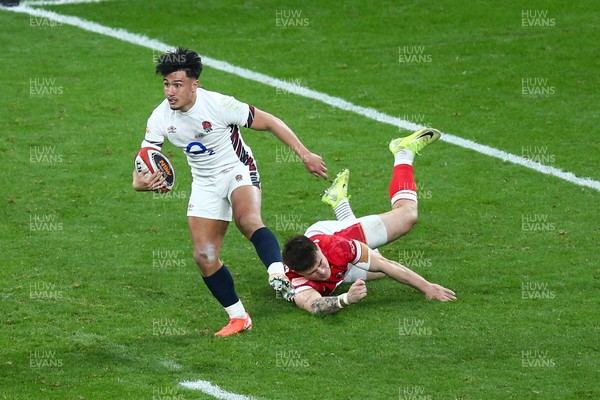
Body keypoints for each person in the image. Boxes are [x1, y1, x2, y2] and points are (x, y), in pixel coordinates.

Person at [132, 47, 327, 336]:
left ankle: (277, 271)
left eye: (177, 85)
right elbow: (143, 162)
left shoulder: (220, 105)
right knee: (204, 255)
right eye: (166, 84)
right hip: (205, 182)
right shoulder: (160, 118)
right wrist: (141, 183)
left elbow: (270, 122)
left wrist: (305, 154)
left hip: (237, 169)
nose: (170, 92)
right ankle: (238, 317)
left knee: (247, 219)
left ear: (194, 84)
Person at [283, 128, 456, 315]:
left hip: (333, 234)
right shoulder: (296, 281)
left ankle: (403, 152)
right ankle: (338, 200)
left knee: (407, 216)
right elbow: (314, 305)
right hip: (340, 265)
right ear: (300, 274)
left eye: (320, 264)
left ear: (319, 251)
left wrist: (428, 287)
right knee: (381, 272)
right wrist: (346, 299)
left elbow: (384, 264)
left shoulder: (336, 246)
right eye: (313, 273)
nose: (323, 272)